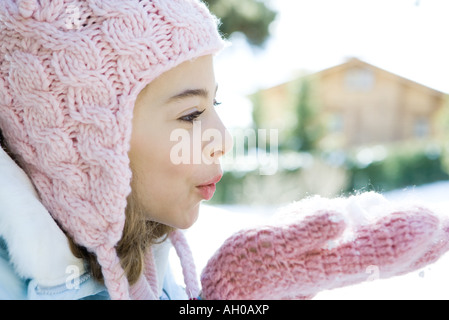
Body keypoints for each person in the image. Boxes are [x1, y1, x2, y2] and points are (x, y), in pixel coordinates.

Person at [1, 0, 448, 300]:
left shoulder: (149, 260)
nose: (223, 138)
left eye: (213, 103)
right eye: (191, 114)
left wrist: (231, 294)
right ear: (84, 144)